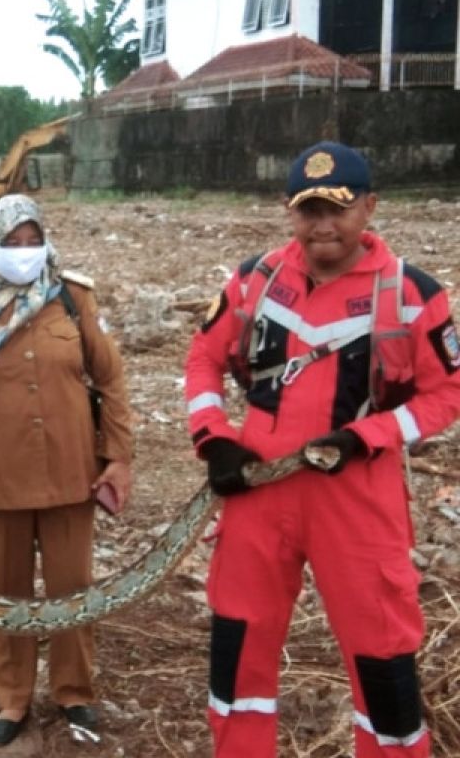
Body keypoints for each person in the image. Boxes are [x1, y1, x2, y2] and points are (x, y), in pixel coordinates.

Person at [184, 141, 460, 757]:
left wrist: (369, 435)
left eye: (338, 207)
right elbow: (203, 358)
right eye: (309, 209)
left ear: (369, 208)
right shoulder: (255, 280)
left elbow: (448, 395)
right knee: (238, 644)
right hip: (257, 492)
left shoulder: (411, 294)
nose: (323, 224)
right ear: (290, 212)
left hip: (358, 500)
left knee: (382, 652)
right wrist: (214, 440)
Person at [0, 194, 133, 747]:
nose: (23, 252)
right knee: (6, 592)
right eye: (11, 243)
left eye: (31, 240)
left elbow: (110, 381)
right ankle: (11, 699)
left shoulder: (71, 297)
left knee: (72, 588)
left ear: (45, 241)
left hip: (70, 474)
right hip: (0, 477)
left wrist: (119, 460)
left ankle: (74, 693)